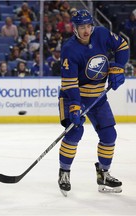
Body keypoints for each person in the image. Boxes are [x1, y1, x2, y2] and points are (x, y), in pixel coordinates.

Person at [57, 9, 129, 196]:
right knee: (75, 132)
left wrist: (119, 68)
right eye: (82, 27)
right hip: (73, 96)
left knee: (109, 134)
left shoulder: (103, 34)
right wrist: (74, 106)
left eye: (89, 26)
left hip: (98, 96)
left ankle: (103, 174)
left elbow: (122, 47)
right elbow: (70, 83)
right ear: (75, 28)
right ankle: (64, 172)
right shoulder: (69, 49)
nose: (86, 30)